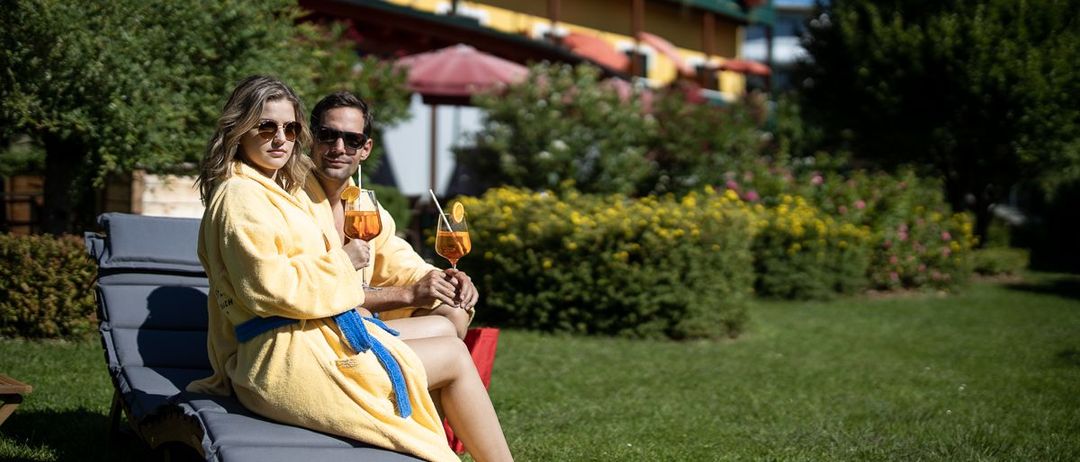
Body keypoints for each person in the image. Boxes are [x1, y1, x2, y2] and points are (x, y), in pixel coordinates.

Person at [189, 75, 511, 462]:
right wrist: (347, 268)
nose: (280, 139)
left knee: (449, 319)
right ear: (240, 129)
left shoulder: (286, 192)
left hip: (309, 340)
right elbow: (269, 288)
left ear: (365, 149)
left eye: (289, 128)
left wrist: (439, 280)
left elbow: (397, 261)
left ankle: (441, 431)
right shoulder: (253, 194)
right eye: (266, 126)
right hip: (282, 357)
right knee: (454, 356)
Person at [302, 91, 476, 340]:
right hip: (313, 326)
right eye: (328, 136)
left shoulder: (365, 208)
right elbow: (302, 286)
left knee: (454, 313)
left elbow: (401, 265)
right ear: (311, 139)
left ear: (366, 149)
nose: (339, 148)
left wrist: (443, 281)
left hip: (358, 318)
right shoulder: (291, 199)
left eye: (352, 140)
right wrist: (408, 294)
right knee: (444, 335)